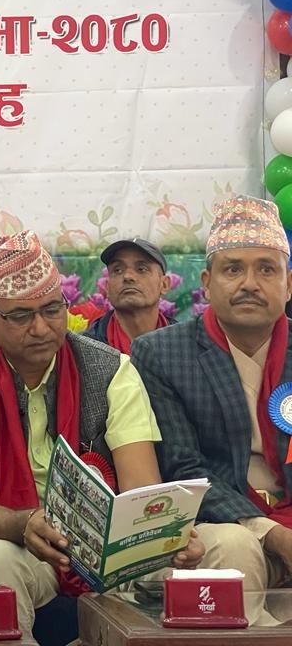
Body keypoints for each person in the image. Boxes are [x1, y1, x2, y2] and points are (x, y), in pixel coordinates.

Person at [0, 231, 201, 635]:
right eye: (21, 316)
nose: (41, 327)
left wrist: (163, 536)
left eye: (52, 309)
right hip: (8, 542)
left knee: (183, 563)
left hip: (104, 547)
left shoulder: (112, 370)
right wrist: (27, 523)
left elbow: (139, 489)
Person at [132, 194, 292, 590]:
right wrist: (273, 534)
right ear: (206, 283)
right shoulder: (162, 354)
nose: (250, 284)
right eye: (233, 269)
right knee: (236, 547)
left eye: (266, 269)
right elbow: (183, 468)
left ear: (288, 285)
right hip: (221, 519)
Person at [85, 238, 173, 353]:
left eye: (141, 269)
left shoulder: (186, 344)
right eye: (117, 270)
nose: (128, 276)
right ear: (107, 287)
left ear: (164, 284)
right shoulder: (84, 350)